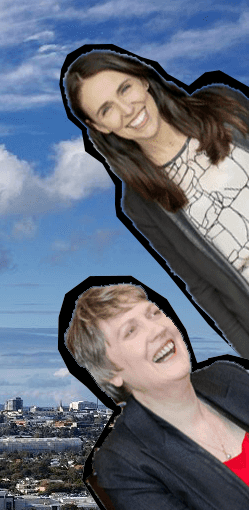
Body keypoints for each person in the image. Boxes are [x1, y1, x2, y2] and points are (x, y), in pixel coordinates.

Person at [61, 46, 249, 358]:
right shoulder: (140, 204)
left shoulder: (224, 103)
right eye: (106, 110)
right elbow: (201, 286)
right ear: (99, 126)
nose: (127, 109)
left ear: (143, 78)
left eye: (125, 89)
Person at [63, 281, 249, 509]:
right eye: (131, 331)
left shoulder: (226, 375)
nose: (157, 329)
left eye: (154, 313)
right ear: (111, 373)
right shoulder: (122, 463)